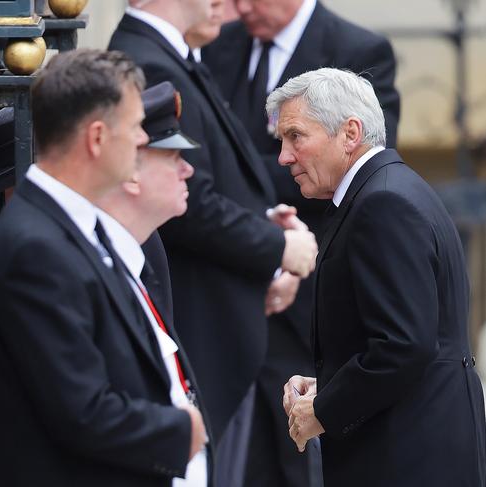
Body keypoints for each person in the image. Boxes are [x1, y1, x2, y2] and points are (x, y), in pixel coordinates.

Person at [0, 49, 208, 487]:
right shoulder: (36, 248)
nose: (144, 142)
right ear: (97, 138)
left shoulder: (72, 223)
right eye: (137, 129)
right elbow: (80, 410)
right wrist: (181, 431)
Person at [109, 1, 317, 472]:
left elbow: (210, 180)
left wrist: (269, 228)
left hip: (223, 316)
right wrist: (279, 248)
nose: (225, 3)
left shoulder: (174, 56)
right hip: (202, 320)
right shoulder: (150, 60)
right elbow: (187, 201)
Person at [201, 3, 400, 484]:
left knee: (299, 452)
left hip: (307, 293)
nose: (241, 7)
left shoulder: (358, 50)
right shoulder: (217, 45)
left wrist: (284, 247)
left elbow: (356, 171)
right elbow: (201, 160)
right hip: (224, 279)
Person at [272, 67, 486, 487]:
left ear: (350, 133)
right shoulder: (387, 190)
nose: (284, 156)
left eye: (296, 136)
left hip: (409, 455)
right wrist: (328, 385)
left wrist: (323, 411)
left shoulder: (382, 201)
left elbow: (404, 345)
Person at [96, 80, 211, 486]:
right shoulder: (92, 263)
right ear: (129, 172)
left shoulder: (146, 245)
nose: (188, 169)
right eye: (173, 156)